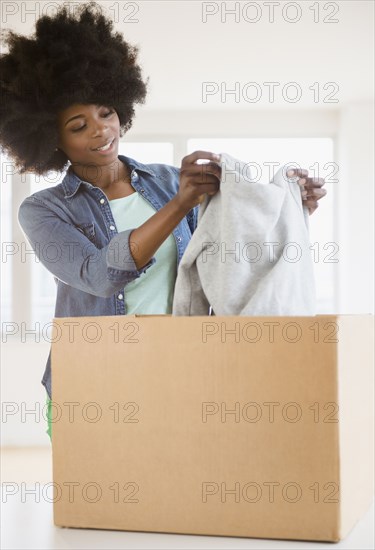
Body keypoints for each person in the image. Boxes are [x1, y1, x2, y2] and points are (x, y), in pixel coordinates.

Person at [0, 2, 326, 441]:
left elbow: (230, 246)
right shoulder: (44, 210)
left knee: (176, 496)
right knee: (96, 502)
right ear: (51, 139)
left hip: (178, 364)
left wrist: (291, 204)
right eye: (79, 125)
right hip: (94, 374)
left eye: (106, 112)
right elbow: (99, 277)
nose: (101, 130)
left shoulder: (171, 180)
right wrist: (178, 203)